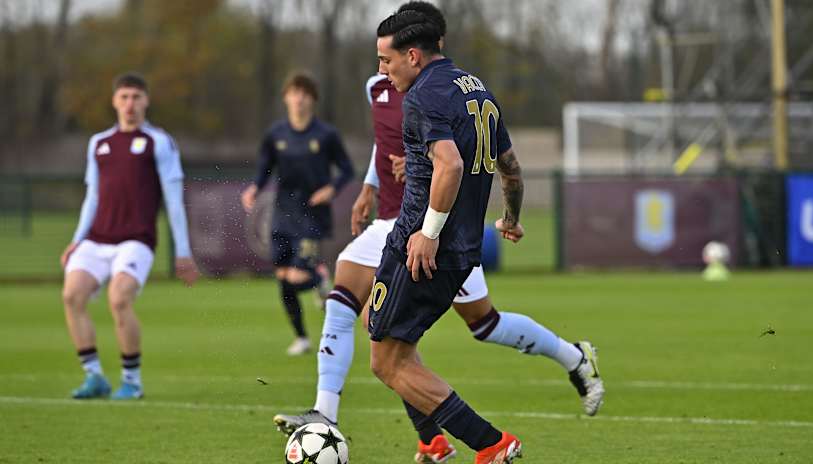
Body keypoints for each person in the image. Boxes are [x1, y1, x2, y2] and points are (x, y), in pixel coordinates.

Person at [274, 3, 604, 463]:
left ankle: (493, 444)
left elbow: (448, 163)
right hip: (457, 247)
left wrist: (427, 233)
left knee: (391, 359)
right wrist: (510, 217)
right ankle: (432, 440)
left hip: (423, 246)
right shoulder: (477, 90)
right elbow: (510, 167)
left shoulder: (423, 96)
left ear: (412, 55)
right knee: (379, 331)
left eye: (386, 60)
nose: (381, 69)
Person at [61, 72, 198, 401]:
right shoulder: (99, 143)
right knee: (72, 296)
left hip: (136, 240)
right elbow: (92, 196)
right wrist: (77, 239)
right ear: (114, 101)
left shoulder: (158, 142)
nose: (130, 104)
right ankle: (94, 377)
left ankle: (131, 381)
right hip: (96, 239)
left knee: (119, 299)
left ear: (146, 101)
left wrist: (183, 252)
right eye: (124, 97)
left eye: (136, 97)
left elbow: (173, 199)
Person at [242, 72, 354, 355]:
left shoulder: (326, 135)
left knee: (296, 276)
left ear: (312, 100)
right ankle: (302, 337)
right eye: (294, 93)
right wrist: (255, 188)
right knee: (283, 278)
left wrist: (331, 189)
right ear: (286, 98)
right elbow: (265, 168)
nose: (299, 99)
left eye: (305, 94)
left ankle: (319, 281)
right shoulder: (276, 134)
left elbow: (347, 170)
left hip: (312, 215)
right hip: (282, 213)